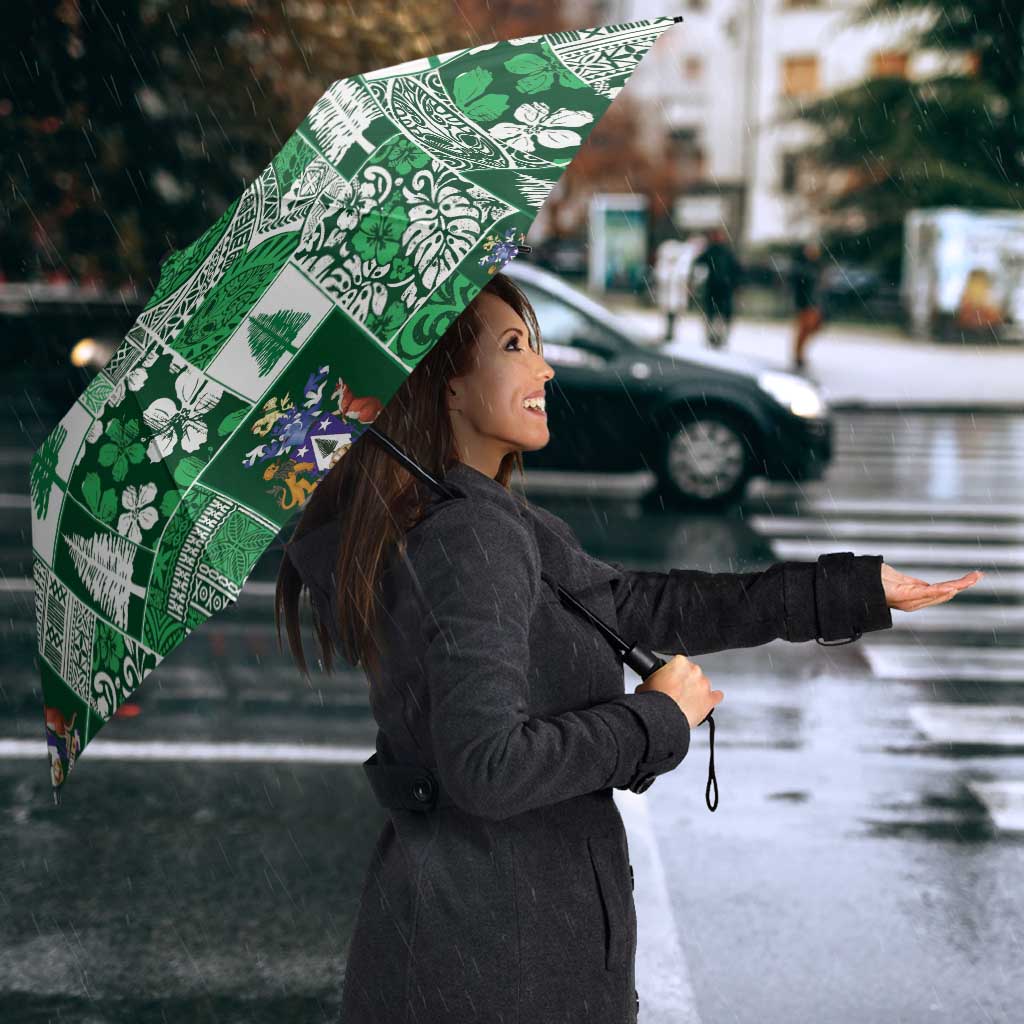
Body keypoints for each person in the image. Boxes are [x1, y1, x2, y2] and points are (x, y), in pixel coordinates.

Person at [277, 272, 981, 1024]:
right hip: (496, 963)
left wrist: (848, 590)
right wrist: (655, 719)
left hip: (478, 944)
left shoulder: (478, 519)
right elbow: (487, 767)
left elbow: (643, 606)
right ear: (447, 388)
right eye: (515, 346)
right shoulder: (470, 536)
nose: (544, 368)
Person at [692, 226, 742, 349]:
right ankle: (713, 337)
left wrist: (735, 284)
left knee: (720, 315)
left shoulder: (725, 252)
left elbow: (736, 270)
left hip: (723, 288)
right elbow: (698, 264)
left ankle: (719, 337)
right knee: (713, 314)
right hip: (715, 288)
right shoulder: (712, 251)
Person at [790, 239, 826, 370]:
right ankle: (798, 355)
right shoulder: (802, 267)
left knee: (812, 328)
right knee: (804, 329)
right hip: (805, 303)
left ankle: (799, 354)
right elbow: (799, 286)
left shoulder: (817, 266)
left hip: (814, 303)